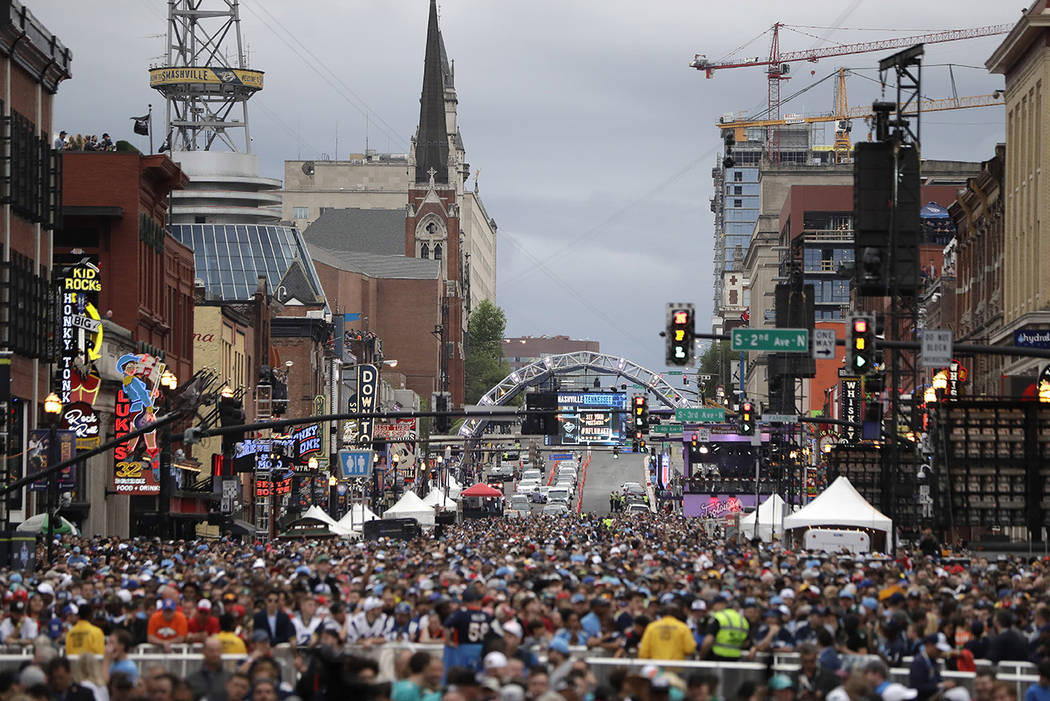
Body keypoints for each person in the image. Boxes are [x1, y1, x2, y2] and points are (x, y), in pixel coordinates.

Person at [442, 588, 493, 675]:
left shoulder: (461, 613)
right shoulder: (486, 615)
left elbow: (446, 626)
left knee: (461, 675)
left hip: (464, 649)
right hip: (482, 649)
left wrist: (448, 642)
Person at [910, 633, 954, 701]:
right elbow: (917, 687)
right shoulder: (919, 662)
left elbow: (937, 679)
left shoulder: (932, 660)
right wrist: (940, 686)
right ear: (929, 645)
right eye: (938, 650)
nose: (940, 652)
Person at [187, 637, 230, 701]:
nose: (215, 654)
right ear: (203, 652)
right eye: (211, 650)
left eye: (218, 650)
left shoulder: (230, 678)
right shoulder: (191, 680)